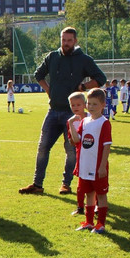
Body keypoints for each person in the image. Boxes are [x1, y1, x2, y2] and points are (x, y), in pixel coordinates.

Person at [20, 27, 106, 196]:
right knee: (43, 148)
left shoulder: (84, 59)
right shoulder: (52, 57)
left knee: (71, 150)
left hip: (72, 114)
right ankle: (37, 184)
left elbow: (101, 78)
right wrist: (48, 90)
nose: (65, 43)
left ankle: (66, 184)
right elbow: (38, 74)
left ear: (75, 41)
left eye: (69, 40)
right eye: (63, 40)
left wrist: (83, 87)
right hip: (53, 111)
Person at [67, 88, 112, 233]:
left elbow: (106, 146)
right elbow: (76, 140)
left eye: (95, 104)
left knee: (101, 194)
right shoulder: (85, 121)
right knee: (89, 194)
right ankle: (89, 222)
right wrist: (71, 124)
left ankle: (101, 224)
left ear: (103, 105)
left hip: (98, 166)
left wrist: (102, 166)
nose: (91, 107)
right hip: (85, 166)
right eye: (89, 104)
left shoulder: (104, 123)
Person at [65, 92, 88, 216]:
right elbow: (73, 142)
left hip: (93, 156)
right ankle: (80, 207)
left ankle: (96, 205)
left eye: (78, 104)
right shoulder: (71, 121)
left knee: (94, 182)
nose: (75, 107)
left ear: (85, 104)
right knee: (81, 183)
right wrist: (71, 125)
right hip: (81, 155)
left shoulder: (91, 118)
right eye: (72, 105)